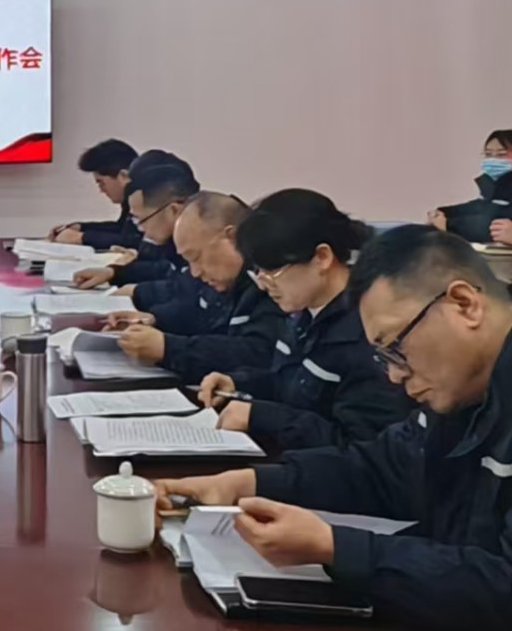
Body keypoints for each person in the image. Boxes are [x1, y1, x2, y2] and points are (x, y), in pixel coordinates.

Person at [154, 227, 512, 631]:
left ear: (464, 304)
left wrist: (337, 548)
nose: (395, 376)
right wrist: (247, 483)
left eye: (395, 348)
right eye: (383, 358)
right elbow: (384, 468)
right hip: (459, 626)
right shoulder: (473, 381)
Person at [198, 189, 415, 449]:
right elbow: (292, 383)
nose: (264, 285)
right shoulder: (303, 312)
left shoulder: (366, 331)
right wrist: (237, 383)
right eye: (258, 272)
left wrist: (263, 418)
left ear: (322, 257)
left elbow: (361, 447)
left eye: (273, 271)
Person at [109, 191, 278, 380]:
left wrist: (170, 349)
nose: (195, 272)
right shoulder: (224, 280)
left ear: (231, 237)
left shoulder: (270, 283)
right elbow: (197, 315)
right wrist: (153, 320)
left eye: (196, 257)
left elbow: (257, 353)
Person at [73, 152, 198, 297]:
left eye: (141, 220)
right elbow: (164, 269)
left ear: (173, 210)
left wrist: (138, 293)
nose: (140, 229)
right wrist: (113, 272)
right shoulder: (172, 236)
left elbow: (186, 293)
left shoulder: (203, 242)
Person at [428, 129, 512, 243]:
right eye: (488, 154)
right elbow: (478, 207)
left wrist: (449, 224)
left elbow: (496, 224)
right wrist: (443, 212)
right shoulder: (495, 185)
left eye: (501, 155)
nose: (493, 160)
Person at [50, 139, 139, 249]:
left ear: (123, 176)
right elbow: (122, 228)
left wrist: (81, 237)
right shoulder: (131, 196)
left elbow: (136, 242)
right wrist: (81, 227)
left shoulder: (148, 197)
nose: (101, 190)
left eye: (101, 183)